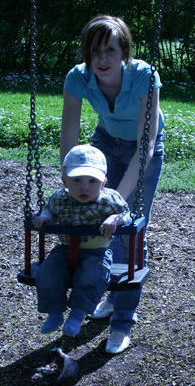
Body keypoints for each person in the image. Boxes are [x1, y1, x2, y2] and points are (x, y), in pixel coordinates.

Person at [60, 15, 165, 354]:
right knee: (95, 225)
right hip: (104, 143)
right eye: (94, 52)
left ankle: (122, 321)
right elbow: (70, 136)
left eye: (110, 50)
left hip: (143, 148)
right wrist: (69, 180)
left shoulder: (144, 77)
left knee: (129, 228)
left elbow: (146, 144)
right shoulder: (78, 78)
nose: (101, 60)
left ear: (124, 52)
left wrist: (116, 199)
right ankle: (108, 290)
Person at [32, 144, 130, 338]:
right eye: (76, 180)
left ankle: (77, 315)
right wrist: (43, 218)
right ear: (64, 181)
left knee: (93, 276)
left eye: (92, 181)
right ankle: (54, 313)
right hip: (64, 248)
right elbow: (49, 211)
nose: (84, 187)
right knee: (48, 272)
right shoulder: (59, 198)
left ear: (103, 183)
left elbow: (126, 214)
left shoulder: (109, 200)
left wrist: (115, 219)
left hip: (97, 251)